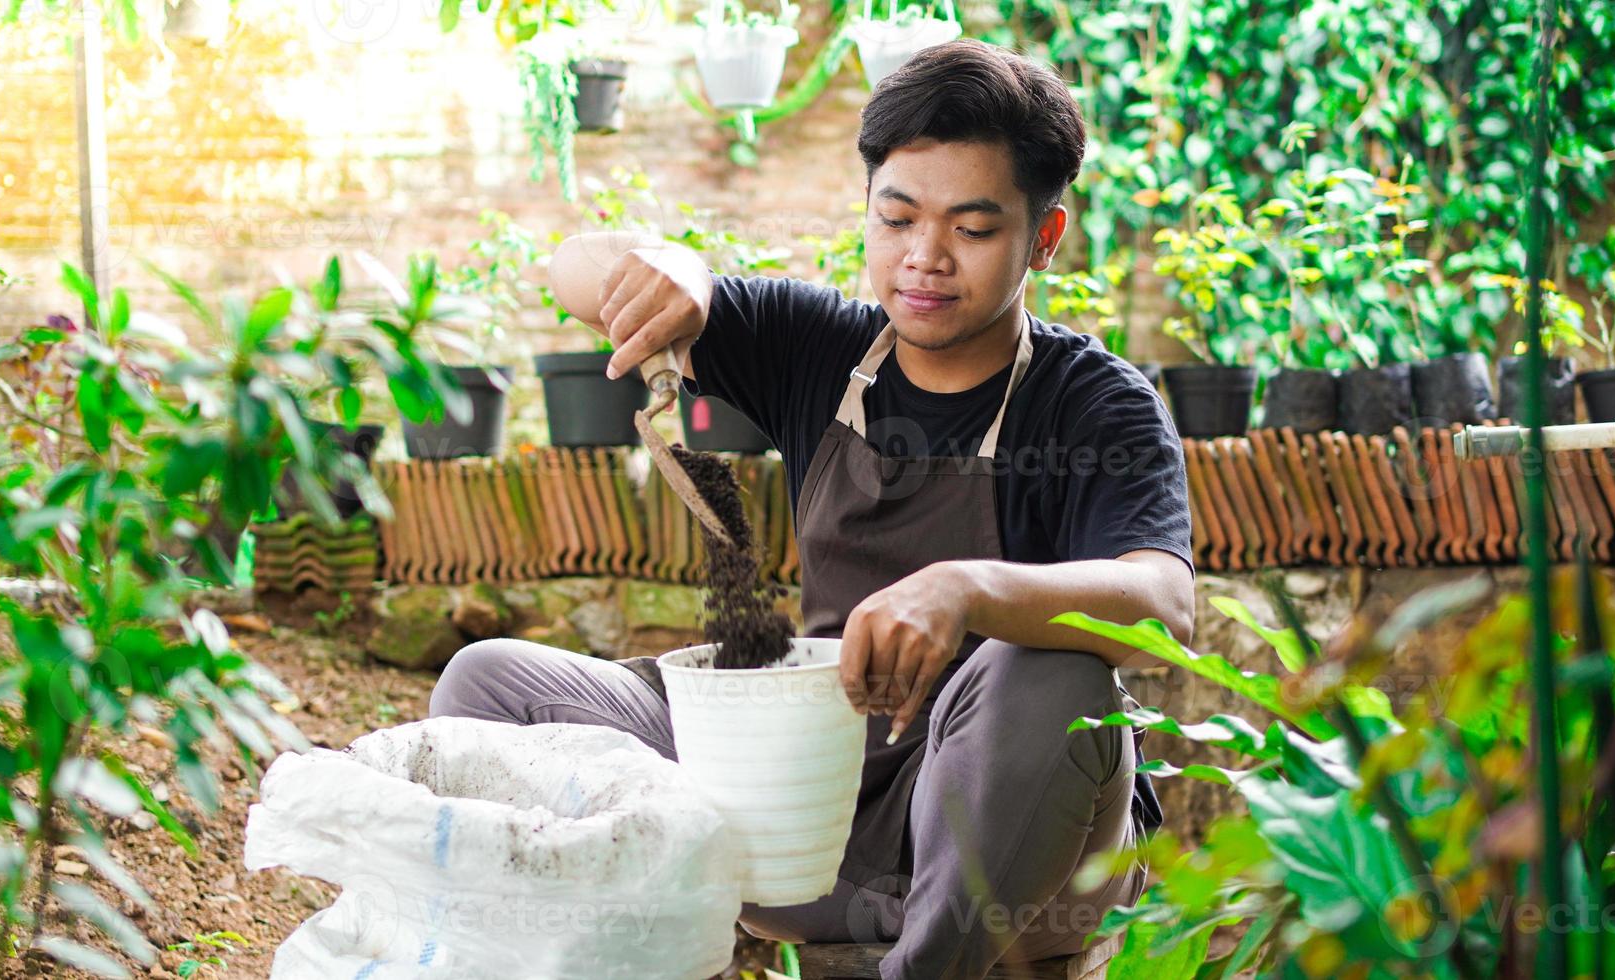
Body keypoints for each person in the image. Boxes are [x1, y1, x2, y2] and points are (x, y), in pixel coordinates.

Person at [429, 38, 1194, 979]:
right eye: (898, 216)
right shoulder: (817, 347)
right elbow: (576, 272)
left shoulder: (1096, 402)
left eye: (973, 228)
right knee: (488, 687)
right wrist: (678, 270)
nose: (925, 256)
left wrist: (966, 591)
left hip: (1001, 844)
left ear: (1044, 237)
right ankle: (643, 952)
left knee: (1052, 675)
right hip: (806, 799)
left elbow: (1164, 608)